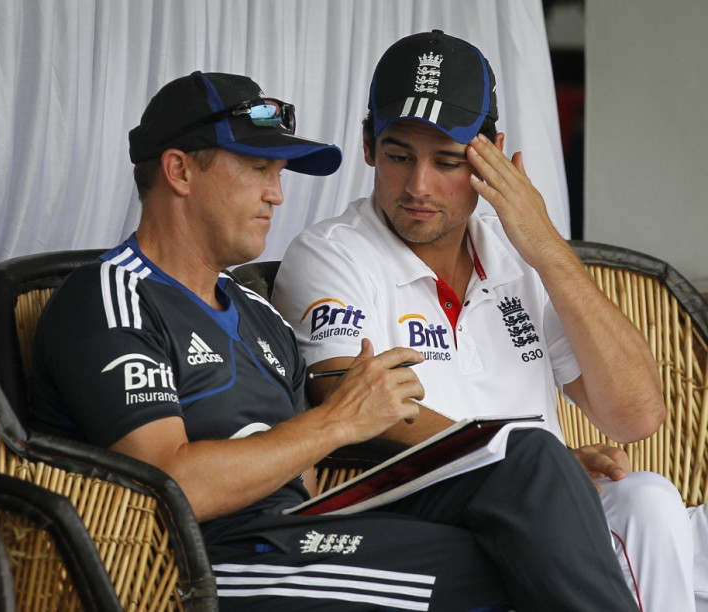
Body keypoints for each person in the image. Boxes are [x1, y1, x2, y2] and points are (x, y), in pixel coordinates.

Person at [30, 69, 639, 612]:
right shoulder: (111, 296)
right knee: (501, 567)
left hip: (301, 528)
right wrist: (339, 421)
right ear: (179, 170)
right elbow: (167, 483)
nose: (277, 192)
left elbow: (311, 478)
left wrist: (520, 471)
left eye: (278, 172)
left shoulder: (258, 315)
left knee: (528, 459)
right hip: (209, 559)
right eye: (256, 169)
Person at [272, 30, 697, 611]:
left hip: (535, 499)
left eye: (447, 161)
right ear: (368, 144)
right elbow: (350, 403)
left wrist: (547, 246)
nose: (418, 187)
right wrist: (523, 464)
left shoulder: (519, 257)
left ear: (491, 155)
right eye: (399, 155)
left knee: (648, 498)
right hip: (412, 509)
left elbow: (637, 416)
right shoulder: (331, 253)